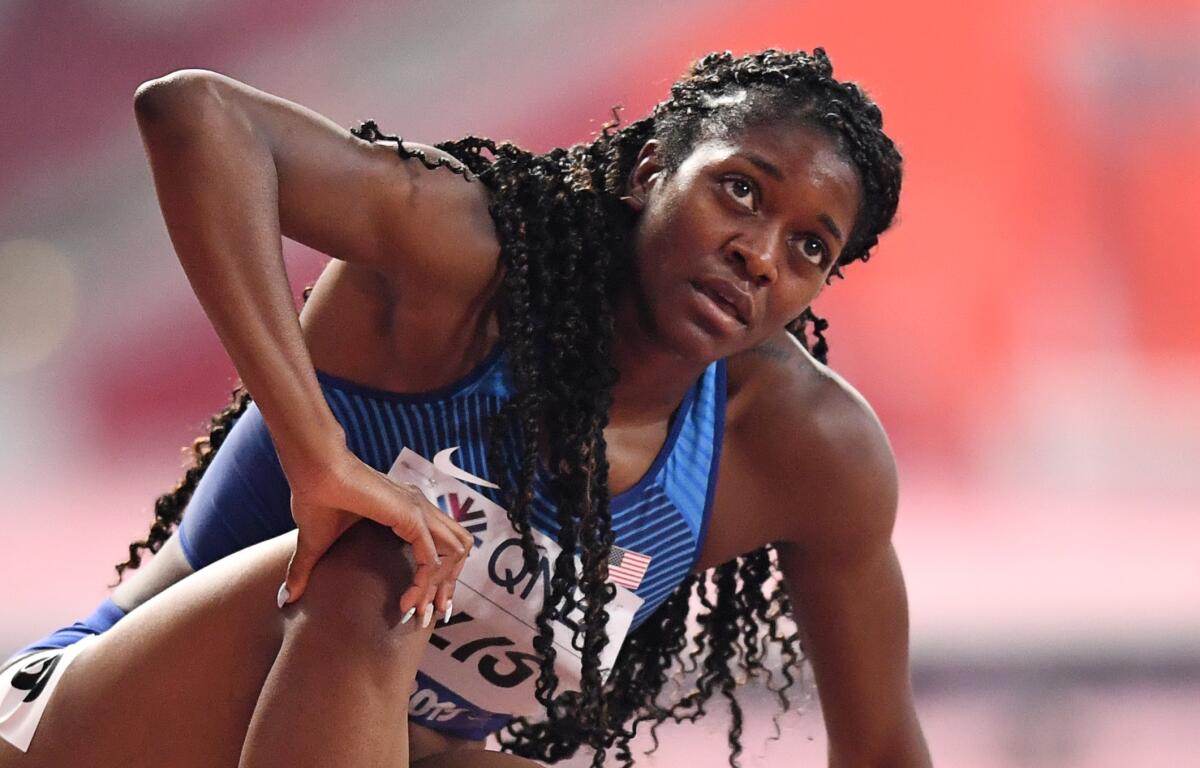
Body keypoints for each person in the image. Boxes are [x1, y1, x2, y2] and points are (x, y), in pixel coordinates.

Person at [0, 49, 929, 767]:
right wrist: (319, 456)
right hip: (90, 728)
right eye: (740, 190)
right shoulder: (464, 265)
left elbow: (883, 748)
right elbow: (193, 113)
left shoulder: (801, 449)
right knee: (382, 564)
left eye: (808, 246)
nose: (761, 254)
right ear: (651, 172)